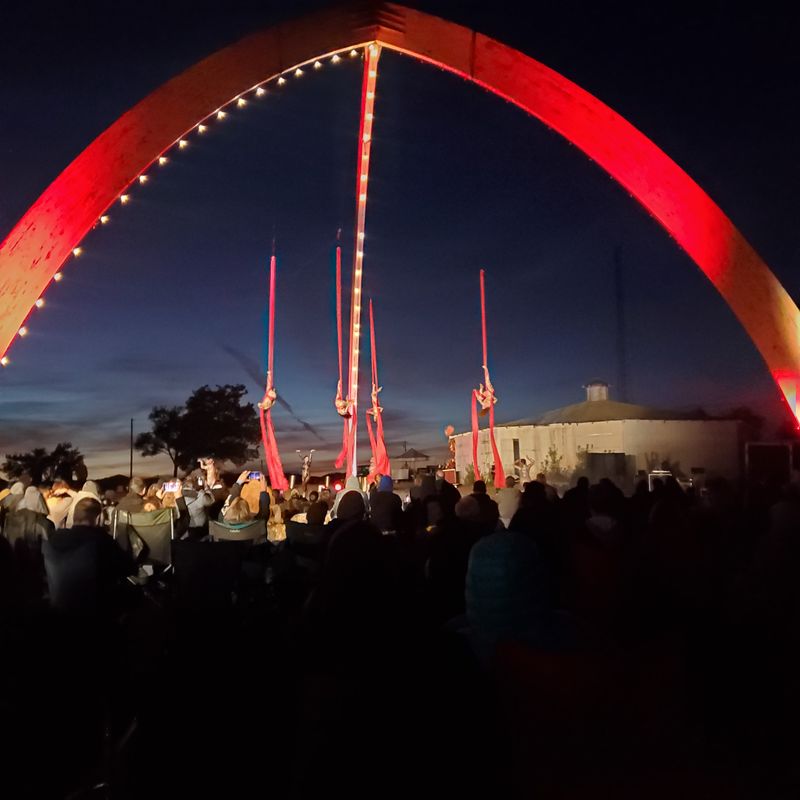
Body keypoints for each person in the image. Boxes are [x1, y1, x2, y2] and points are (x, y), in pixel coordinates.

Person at [44, 498, 133, 615]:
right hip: (93, 611)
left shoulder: (54, 538)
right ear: (98, 518)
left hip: (58, 608)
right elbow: (128, 568)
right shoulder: (101, 540)